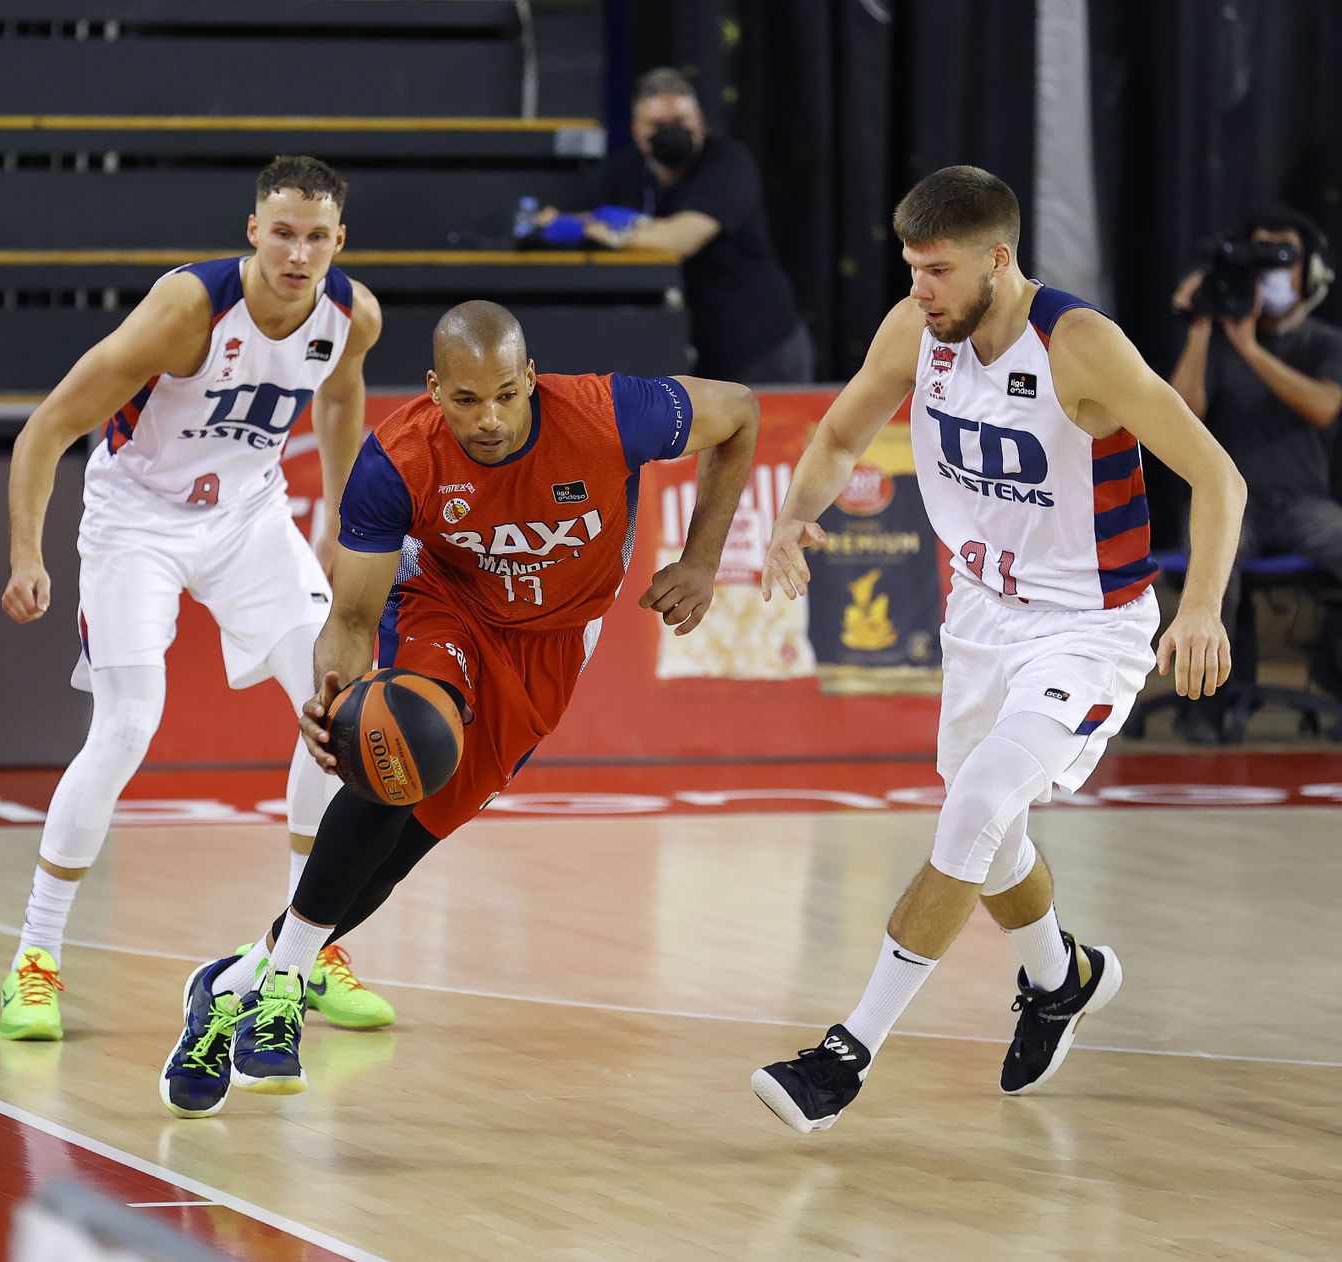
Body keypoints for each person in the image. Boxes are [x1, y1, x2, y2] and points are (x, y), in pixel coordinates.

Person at [154, 300, 760, 1118]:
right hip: (446, 609)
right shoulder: (397, 460)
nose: (491, 418)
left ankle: (231, 982)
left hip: (551, 646)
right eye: (468, 400)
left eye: (507, 395)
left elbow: (742, 414)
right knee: (400, 754)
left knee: (392, 861)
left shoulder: (614, 414)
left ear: (531, 378)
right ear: (435, 390)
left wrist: (701, 558)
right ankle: (288, 986)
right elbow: (352, 618)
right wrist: (330, 692)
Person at [750, 166, 1246, 1134]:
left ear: (998, 258)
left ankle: (842, 1056)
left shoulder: (1079, 346)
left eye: (936, 269)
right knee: (991, 828)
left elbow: (1217, 477)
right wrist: (789, 518)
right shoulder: (912, 330)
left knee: (976, 804)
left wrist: (1201, 608)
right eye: (909, 267)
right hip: (981, 616)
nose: (918, 287)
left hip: (1086, 626)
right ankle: (1062, 978)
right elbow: (841, 432)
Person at [0, 155, 396, 1045]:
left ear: (340, 241)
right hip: (137, 519)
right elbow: (49, 427)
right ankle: (36, 957)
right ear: (253, 231)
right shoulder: (188, 311)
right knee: (129, 724)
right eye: (283, 233)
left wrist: (344, 525)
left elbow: (340, 404)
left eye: (317, 237)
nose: (298, 253)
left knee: (332, 701)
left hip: (250, 517)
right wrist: (27, 550)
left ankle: (305, 947)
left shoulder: (350, 315)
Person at [1169, 208, 1342, 724]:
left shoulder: (1323, 342)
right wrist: (1201, 328)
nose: (1270, 274)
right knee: (1215, 565)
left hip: (1304, 504)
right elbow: (1179, 415)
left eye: (1282, 258)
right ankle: (1205, 706)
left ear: (1306, 272)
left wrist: (1250, 348)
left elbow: (1322, 406)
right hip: (1228, 505)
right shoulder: (1217, 341)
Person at [539, 67, 811, 384]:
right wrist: (582, 222)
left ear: (700, 121)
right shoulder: (626, 170)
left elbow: (681, 239)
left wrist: (600, 228)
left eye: (681, 121)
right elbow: (552, 217)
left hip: (760, 345)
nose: (671, 131)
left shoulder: (729, 163)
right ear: (637, 131)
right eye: (658, 125)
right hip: (688, 349)